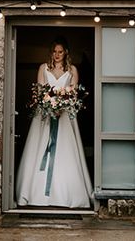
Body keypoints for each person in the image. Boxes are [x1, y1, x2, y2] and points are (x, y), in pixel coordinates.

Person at [16, 38, 93, 208]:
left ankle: (67, 194)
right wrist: (48, 104)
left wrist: (62, 104)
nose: (57, 55)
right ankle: (36, 194)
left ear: (66, 52)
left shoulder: (72, 69)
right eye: (54, 51)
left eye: (60, 51)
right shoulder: (43, 68)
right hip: (44, 116)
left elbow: (73, 93)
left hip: (64, 117)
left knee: (66, 151)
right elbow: (39, 91)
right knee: (40, 147)